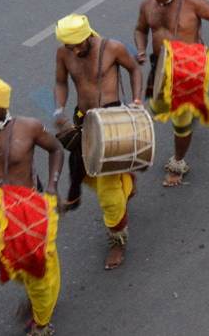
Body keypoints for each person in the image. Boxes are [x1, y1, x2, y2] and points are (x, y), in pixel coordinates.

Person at [0, 77, 63, 336]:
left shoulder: (29, 128)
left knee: (38, 266)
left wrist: (52, 185)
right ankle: (34, 293)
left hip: (28, 209)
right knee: (11, 263)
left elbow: (56, 149)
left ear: (3, 106)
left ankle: (42, 321)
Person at [52, 13, 143, 268]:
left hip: (112, 122)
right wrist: (58, 109)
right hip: (83, 120)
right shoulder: (64, 53)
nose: (76, 50)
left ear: (88, 34)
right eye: (71, 46)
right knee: (85, 170)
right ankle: (127, 182)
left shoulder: (111, 47)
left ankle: (118, 243)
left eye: (79, 44)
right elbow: (61, 83)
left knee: (107, 194)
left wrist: (136, 102)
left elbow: (134, 69)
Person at [133, 0, 209, 188]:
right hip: (160, 65)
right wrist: (141, 49)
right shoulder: (147, 4)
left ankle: (178, 163)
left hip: (187, 67)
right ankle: (189, 114)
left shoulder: (193, 0)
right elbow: (140, 29)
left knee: (180, 119)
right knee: (158, 106)